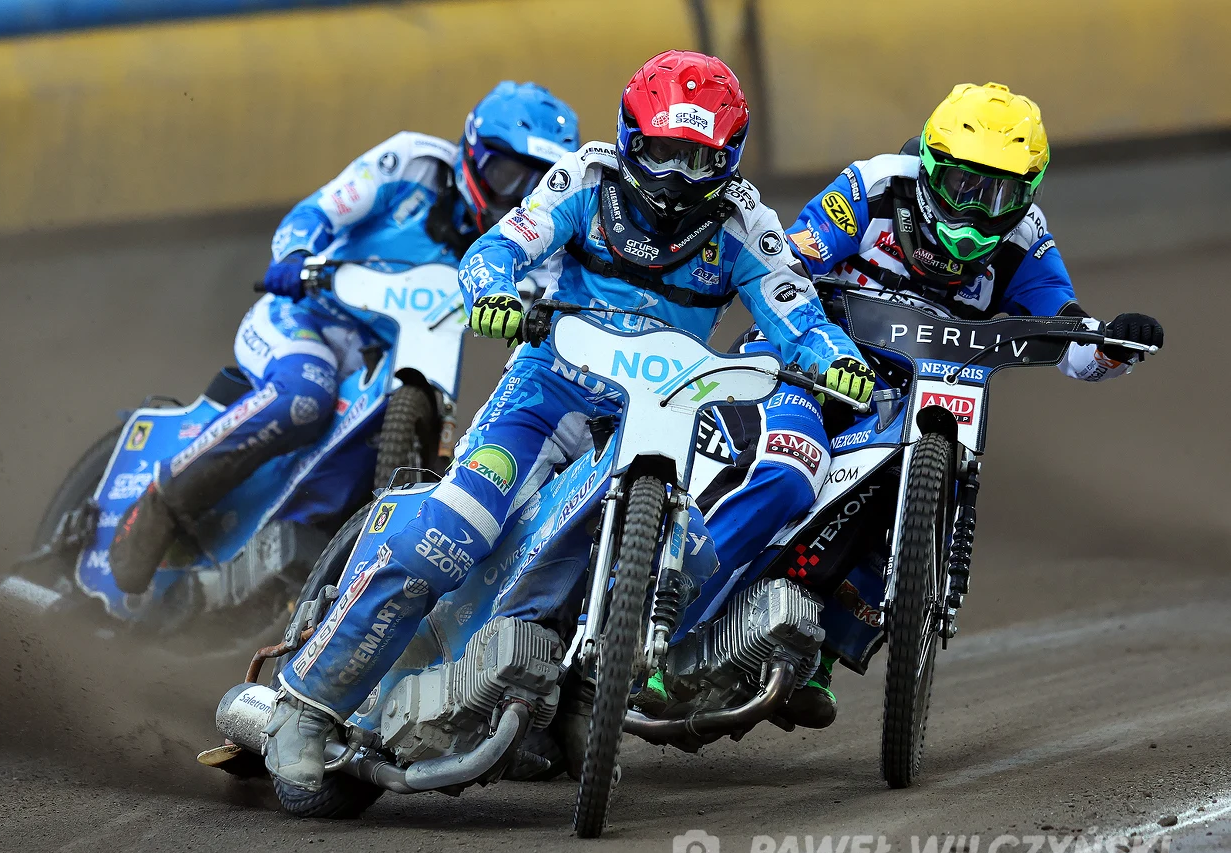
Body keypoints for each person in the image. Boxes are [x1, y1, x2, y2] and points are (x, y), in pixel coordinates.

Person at [263, 50, 876, 801]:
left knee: (672, 554)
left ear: (730, 157)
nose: (675, 179)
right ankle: (306, 704)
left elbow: (797, 314)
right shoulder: (583, 180)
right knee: (449, 528)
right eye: (662, 153)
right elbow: (500, 247)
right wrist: (490, 289)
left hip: (655, 413)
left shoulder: (748, 220)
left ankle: (575, 700)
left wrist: (836, 359)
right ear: (629, 136)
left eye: (698, 160)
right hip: (547, 392)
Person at [757, 81, 1166, 725]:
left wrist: (1117, 344)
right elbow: (783, 264)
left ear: (1025, 195)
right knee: (771, 461)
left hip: (919, 398)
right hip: (815, 360)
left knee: (912, 495)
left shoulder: (1026, 238)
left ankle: (815, 652)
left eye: (997, 193)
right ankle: (676, 608)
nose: (976, 210)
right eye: (963, 185)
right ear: (927, 166)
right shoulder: (871, 187)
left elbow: (1072, 341)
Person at [108, 82, 580, 595]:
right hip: (307, 317)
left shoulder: (532, 243)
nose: (515, 193)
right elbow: (320, 210)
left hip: (393, 363)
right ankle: (158, 503)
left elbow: (557, 304)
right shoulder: (413, 163)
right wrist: (294, 255)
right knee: (304, 396)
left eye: (536, 181)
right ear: (472, 152)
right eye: (505, 172)